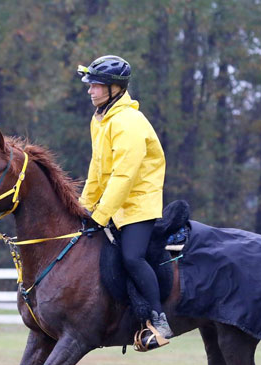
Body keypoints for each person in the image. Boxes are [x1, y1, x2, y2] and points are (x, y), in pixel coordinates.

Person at [77, 55, 173, 345]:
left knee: (132, 257)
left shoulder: (128, 122)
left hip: (138, 205)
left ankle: (159, 320)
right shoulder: (101, 120)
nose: (90, 91)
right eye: (90, 85)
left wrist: (100, 213)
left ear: (114, 89)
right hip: (114, 206)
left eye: (96, 85)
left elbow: (124, 176)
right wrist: (83, 206)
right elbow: (97, 168)